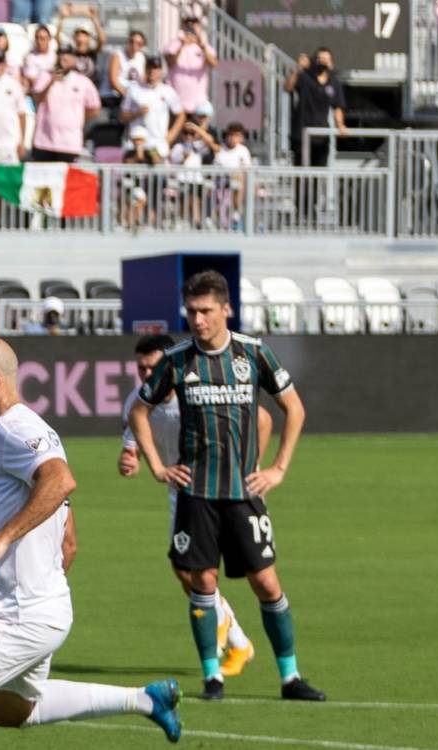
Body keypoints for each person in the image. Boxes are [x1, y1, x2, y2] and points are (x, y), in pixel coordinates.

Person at [0, 336, 183, 750]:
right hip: (41, 608)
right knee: (8, 710)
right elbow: (66, 527)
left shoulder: (14, 427)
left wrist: (1, 541)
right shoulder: (13, 430)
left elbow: (60, 480)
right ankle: (145, 700)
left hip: (14, 616)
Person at [128, 270, 326, 704]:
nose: (197, 320)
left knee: (268, 585)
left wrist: (278, 468)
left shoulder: (254, 354)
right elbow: (138, 411)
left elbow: (293, 408)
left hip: (244, 493)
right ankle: (212, 677)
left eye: (205, 311)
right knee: (202, 582)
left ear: (225, 309)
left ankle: (291, 678)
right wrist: (159, 466)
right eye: (191, 312)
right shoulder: (177, 361)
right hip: (196, 494)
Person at [121, 333, 270, 681]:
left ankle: (234, 636)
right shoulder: (139, 399)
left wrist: (255, 464)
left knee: (246, 570)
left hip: (230, 488)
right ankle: (236, 640)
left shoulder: (197, 385)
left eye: (153, 366)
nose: (147, 373)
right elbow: (131, 444)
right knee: (186, 569)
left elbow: (262, 419)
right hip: (185, 491)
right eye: (141, 367)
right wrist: (131, 460)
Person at [29, 48, 99, 163]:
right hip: (44, 142)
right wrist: (51, 82)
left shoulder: (83, 81)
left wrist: (78, 120)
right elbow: (36, 99)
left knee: (66, 180)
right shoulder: (45, 76)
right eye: (61, 55)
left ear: (74, 59)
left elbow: (95, 108)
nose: (63, 58)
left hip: (69, 144)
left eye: (67, 55)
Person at [286, 47, 347, 166]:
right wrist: (297, 69)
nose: (323, 62)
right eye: (320, 59)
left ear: (332, 64)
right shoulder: (304, 77)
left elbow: (338, 106)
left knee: (319, 174)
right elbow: (288, 87)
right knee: (301, 177)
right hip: (301, 134)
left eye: (326, 60)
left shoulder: (334, 82)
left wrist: (340, 124)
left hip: (321, 137)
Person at [120, 57, 180, 159]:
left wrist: (171, 135)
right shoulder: (134, 89)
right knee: (130, 163)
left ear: (161, 71)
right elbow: (122, 117)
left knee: (154, 160)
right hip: (136, 141)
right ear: (145, 68)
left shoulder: (167, 91)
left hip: (157, 143)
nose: (152, 71)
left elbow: (180, 114)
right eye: (149, 67)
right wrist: (137, 113)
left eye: (156, 68)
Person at [163, 17, 216, 116]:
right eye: (188, 26)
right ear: (182, 28)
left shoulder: (205, 47)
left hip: (198, 104)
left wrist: (201, 45)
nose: (191, 30)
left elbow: (214, 64)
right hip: (176, 103)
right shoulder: (173, 44)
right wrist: (182, 44)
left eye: (194, 27)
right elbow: (170, 62)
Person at [105, 30, 148, 106]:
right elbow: (113, 82)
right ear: (127, 42)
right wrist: (128, 96)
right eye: (132, 42)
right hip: (114, 96)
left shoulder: (141, 57)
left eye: (139, 44)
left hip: (132, 97)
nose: (134, 46)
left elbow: (143, 80)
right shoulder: (117, 55)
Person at [20, 25, 55, 90]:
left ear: (49, 39)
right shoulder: (30, 57)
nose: (39, 42)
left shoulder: (55, 55)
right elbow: (34, 82)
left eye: (42, 38)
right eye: (37, 38)